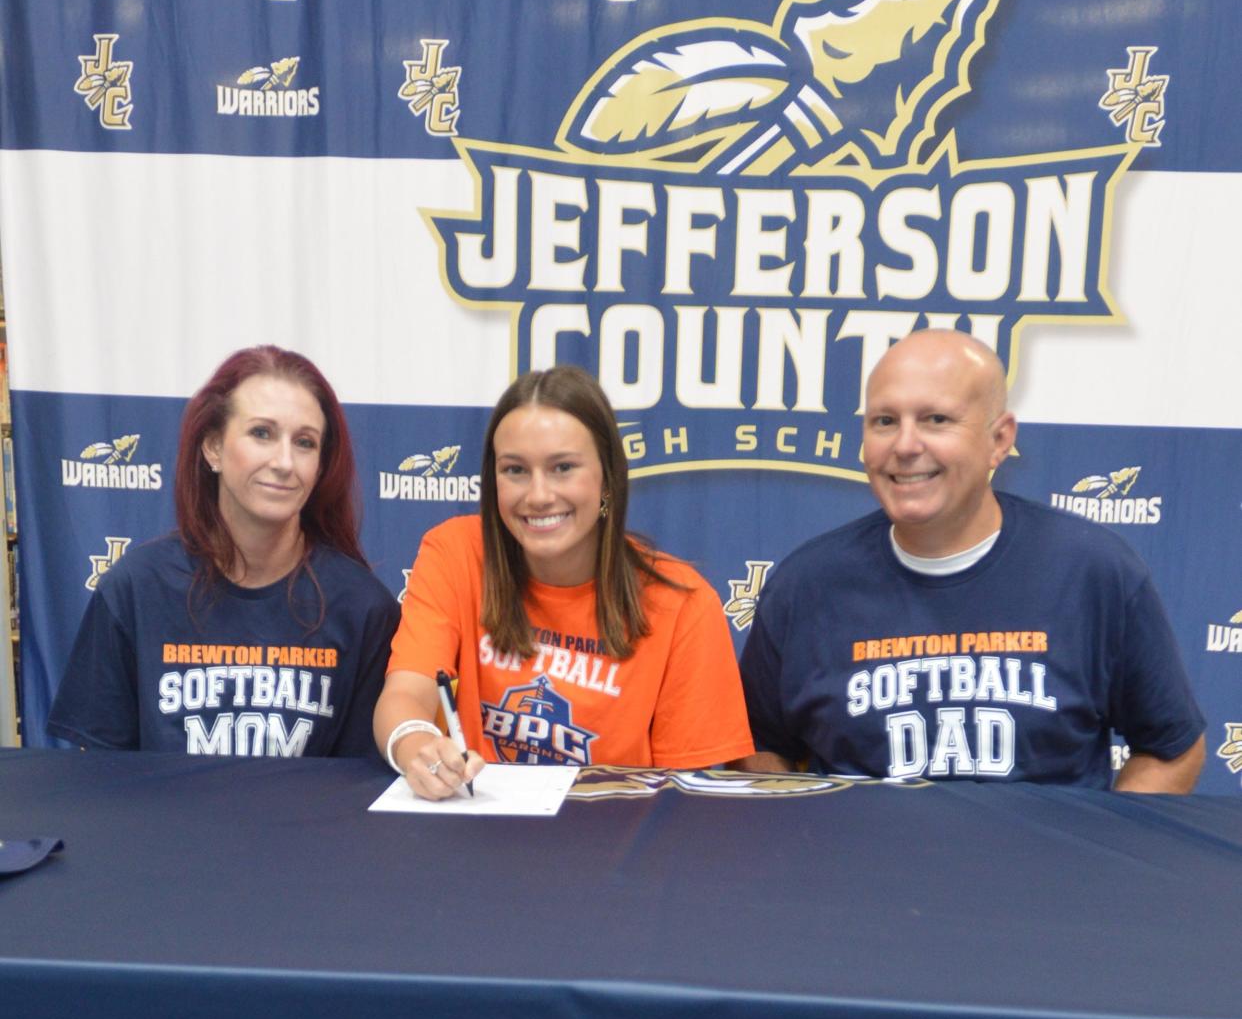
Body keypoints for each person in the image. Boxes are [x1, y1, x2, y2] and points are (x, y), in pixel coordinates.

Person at [739, 329, 1206, 792]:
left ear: (999, 439)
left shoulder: (1094, 572)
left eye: (936, 419)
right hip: (858, 867)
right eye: (884, 421)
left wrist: (1104, 859)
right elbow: (759, 746)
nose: (904, 445)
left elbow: (1172, 748)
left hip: (1042, 868)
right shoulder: (806, 584)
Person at [376, 365, 753, 799]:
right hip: (477, 836)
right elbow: (406, 693)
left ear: (607, 477)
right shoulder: (455, 552)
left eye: (563, 468)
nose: (537, 495)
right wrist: (415, 744)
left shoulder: (682, 604)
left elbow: (686, 798)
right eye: (515, 470)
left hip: (615, 849)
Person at [47, 346, 400, 756]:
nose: (284, 462)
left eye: (304, 442)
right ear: (212, 447)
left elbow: (359, 792)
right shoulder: (134, 590)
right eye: (261, 433)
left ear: (320, 466)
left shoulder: (363, 607)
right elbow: (101, 780)